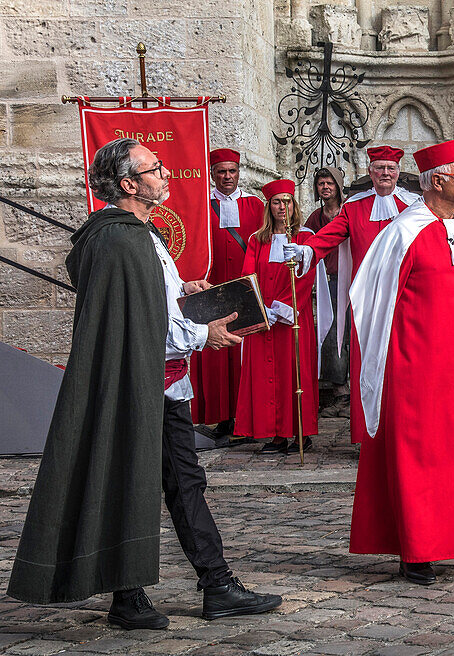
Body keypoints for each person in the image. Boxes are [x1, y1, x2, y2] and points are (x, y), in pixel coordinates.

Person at [8, 138, 281, 629]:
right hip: (135, 382)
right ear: (130, 184)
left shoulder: (140, 235)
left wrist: (186, 290)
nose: (165, 175)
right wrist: (206, 333)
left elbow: (155, 300)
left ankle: (211, 586)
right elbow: (151, 320)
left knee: (181, 481)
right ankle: (133, 597)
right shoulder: (120, 239)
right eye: (156, 168)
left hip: (160, 383)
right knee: (125, 479)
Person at [291, 138, 454, 585]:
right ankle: (416, 550)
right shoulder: (403, 232)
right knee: (421, 458)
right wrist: (381, 372)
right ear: (437, 182)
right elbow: (373, 303)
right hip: (416, 368)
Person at [295, 146, 420, 444]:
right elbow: (332, 233)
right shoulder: (354, 207)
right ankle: (370, 436)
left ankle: (404, 432)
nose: (385, 175)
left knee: (401, 363)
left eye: (390, 169)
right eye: (379, 169)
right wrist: (309, 249)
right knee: (366, 363)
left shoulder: (414, 205)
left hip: (404, 297)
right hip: (365, 299)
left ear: (398, 172)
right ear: (370, 172)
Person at [236, 180, 328, 454]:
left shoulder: (304, 238)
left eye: (287, 201)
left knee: (294, 375)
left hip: (292, 320)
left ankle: (300, 432)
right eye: (276, 202)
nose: (282, 207)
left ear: (294, 205)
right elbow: (247, 276)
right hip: (264, 320)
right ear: (269, 207)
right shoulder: (257, 240)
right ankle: (275, 435)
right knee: (265, 377)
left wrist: (282, 307)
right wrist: (262, 309)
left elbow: (305, 277)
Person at [190, 148, 266, 437]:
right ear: (212, 174)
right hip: (210, 290)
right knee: (215, 355)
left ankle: (245, 417)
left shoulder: (255, 206)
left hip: (244, 289)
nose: (226, 177)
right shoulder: (200, 206)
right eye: (221, 171)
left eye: (231, 171)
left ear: (238, 173)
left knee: (244, 355)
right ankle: (221, 417)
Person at [304, 166, 351, 417]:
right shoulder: (315, 218)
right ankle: (340, 393)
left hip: (353, 279)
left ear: (339, 186)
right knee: (333, 334)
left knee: (355, 331)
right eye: (321, 184)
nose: (325, 187)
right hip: (330, 281)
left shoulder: (350, 211)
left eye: (329, 183)